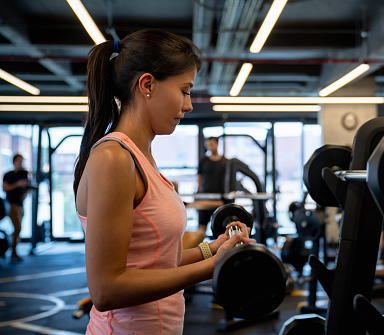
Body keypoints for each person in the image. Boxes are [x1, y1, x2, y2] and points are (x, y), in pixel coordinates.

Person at [73, 29, 253, 334]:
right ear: (147, 85)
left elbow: (153, 259)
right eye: (184, 90)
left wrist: (214, 248)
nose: (189, 104)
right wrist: (213, 267)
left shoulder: (141, 157)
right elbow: (106, 290)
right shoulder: (114, 159)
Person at [197, 137, 228, 233]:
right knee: (202, 228)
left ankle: (222, 248)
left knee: (222, 229)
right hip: (206, 198)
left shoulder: (225, 162)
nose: (209, 147)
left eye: (211, 145)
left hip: (220, 200)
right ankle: (200, 248)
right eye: (207, 145)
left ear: (217, 144)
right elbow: (199, 178)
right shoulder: (203, 161)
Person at [2, 154, 30, 263]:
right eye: (18, 161)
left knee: (18, 229)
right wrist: (17, 184)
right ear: (14, 162)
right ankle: (13, 251)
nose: (20, 163)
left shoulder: (23, 174)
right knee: (17, 227)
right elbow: (5, 188)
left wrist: (25, 194)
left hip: (20, 204)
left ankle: (9, 246)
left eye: (22, 161)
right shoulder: (8, 175)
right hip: (11, 204)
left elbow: (27, 187)